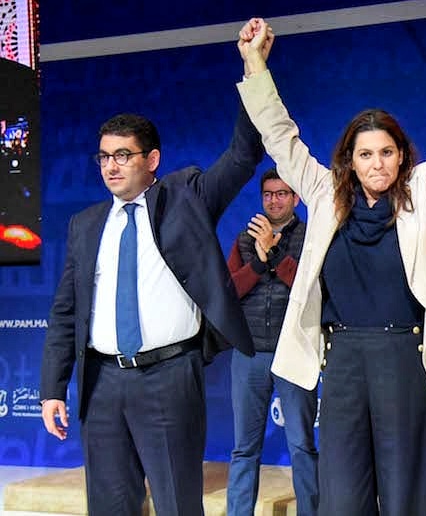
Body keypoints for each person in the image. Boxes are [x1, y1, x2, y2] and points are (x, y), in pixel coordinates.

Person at [233, 16, 426, 516]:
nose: (377, 163)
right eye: (365, 154)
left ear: (402, 155)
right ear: (350, 159)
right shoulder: (324, 194)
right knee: (342, 499)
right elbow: (279, 136)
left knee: (405, 496)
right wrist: (254, 63)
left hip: (406, 360)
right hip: (343, 360)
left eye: (387, 152)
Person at [40, 106, 265, 515]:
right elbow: (66, 313)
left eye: (123, 155)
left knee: (177, 504)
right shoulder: (85, 225)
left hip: (169, 376)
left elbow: (242, 155)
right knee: (109, 506)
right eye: (104, 157)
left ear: (152, 159)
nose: (111, 166)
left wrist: (254, 79)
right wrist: (53, 389)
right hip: (102, 383)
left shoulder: (187, 199)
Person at [226, 168, 319, 516]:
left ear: (296, 198)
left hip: (294, 352)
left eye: (282, 194)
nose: (274, 201)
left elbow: (312, 290)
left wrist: (276, 254)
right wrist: (258, 261)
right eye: (268, 194)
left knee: (302, 445)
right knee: (244, 448)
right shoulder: (244, 238)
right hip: (249, 353)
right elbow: (229, 291)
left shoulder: (311, 237)